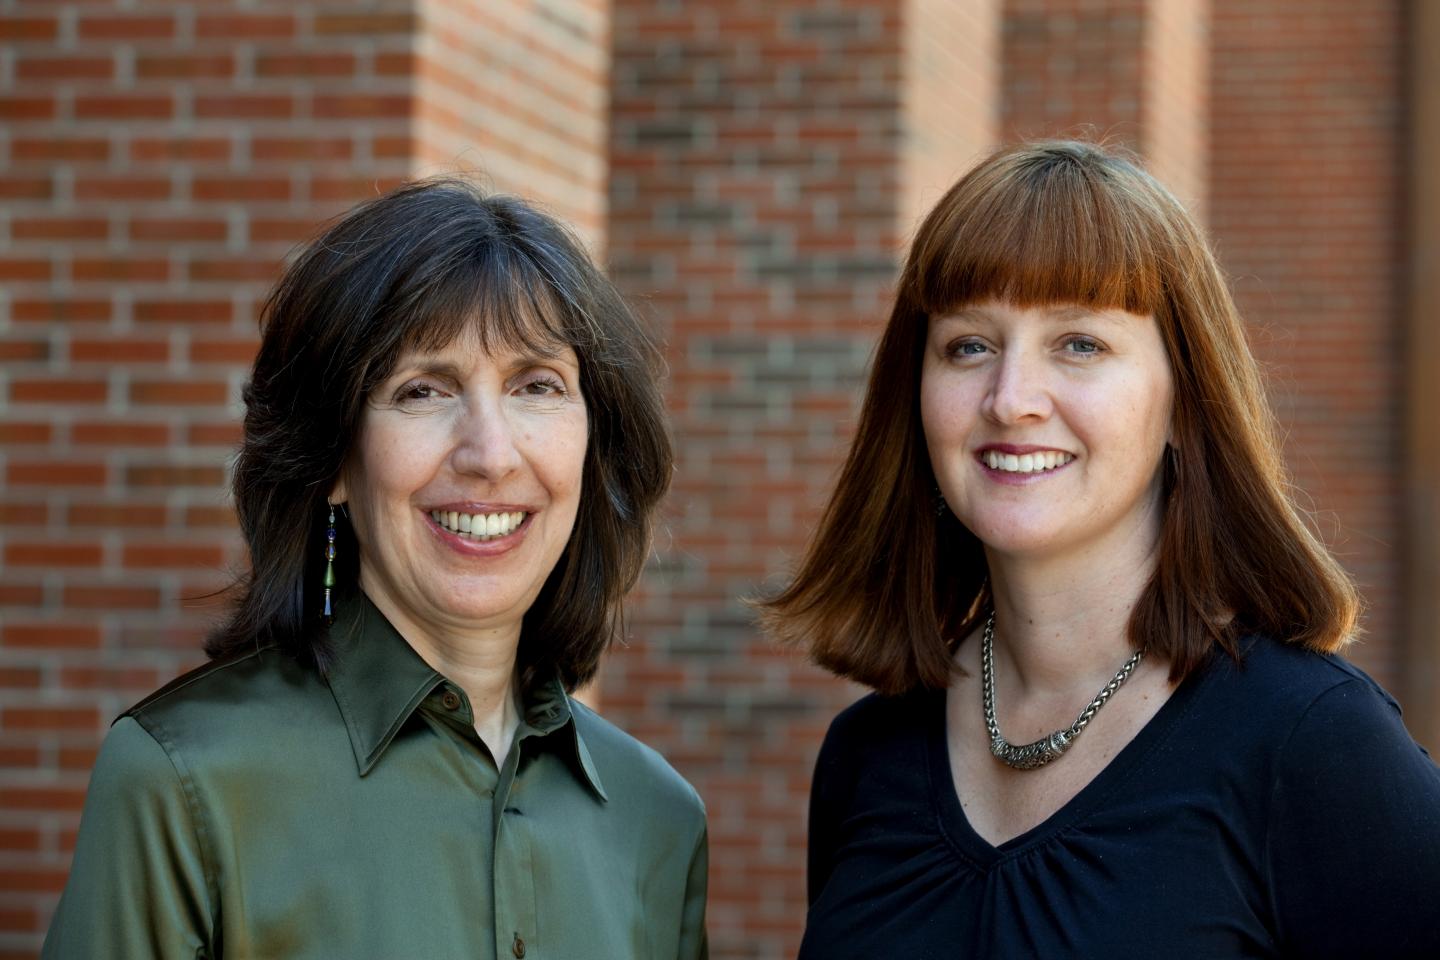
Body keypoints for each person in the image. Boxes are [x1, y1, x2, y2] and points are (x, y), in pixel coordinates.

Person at [761, 141, 1440, 958]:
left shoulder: (1313, 744)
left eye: (1079, 343)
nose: (1011, 400)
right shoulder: (867, 754)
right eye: (969, 345)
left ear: (1185, 401)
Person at [44, 180, 708, 959]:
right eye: (422, 390)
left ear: (592, 446)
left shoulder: (657, 819)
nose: (491, 454)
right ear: (333, 457)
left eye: (537, 386)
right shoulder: (182, 784)